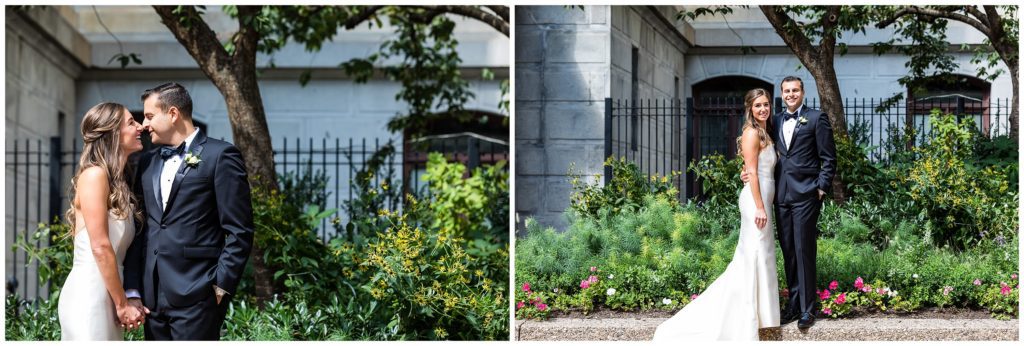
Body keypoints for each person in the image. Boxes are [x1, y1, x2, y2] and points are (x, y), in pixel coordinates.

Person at [122, 82, 254, 340]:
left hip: (199, 296)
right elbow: (142, 228)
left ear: (173, 114)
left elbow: (240, 231)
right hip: (152, 299)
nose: (144, 125)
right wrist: (134, 289)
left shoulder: (220, 156)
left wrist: (220, 288)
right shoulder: (148, 161)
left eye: (149, 116)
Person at [653, 88, 780, 341]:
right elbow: (752, 173)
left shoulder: (766, 133)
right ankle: (749, 319)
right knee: (753, 255)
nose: (763, 109)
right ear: (750, 109)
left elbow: (748, 168)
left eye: (766, 104)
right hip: (756, 201)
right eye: (758, 106)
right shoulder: (751, 133)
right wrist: (759, 206)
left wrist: (758, 191)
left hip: (763, 197)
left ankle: (766, 320)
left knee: (762, 256)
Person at [743, 76, 836, 329]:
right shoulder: (774, 121)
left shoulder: (817, 119)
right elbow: (763, 153)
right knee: (789, 253)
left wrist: (821, 189)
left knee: (804, 250)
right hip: (780, 197)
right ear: (782, 94)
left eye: (795, 90)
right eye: (787, 91)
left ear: (803, 92)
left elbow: (829, 158)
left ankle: (807, 310)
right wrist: (748, 172)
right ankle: (793, 306)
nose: (791, 94)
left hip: (807, 195)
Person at [58, 102, 148, 340]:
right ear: (112, 134)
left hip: (109, 296)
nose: (140, 126)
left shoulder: (120, 183)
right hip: (88, 296)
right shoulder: (94, 175)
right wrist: (121, 304)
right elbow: (100, 246)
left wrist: (127, 298)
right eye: (131, 122)